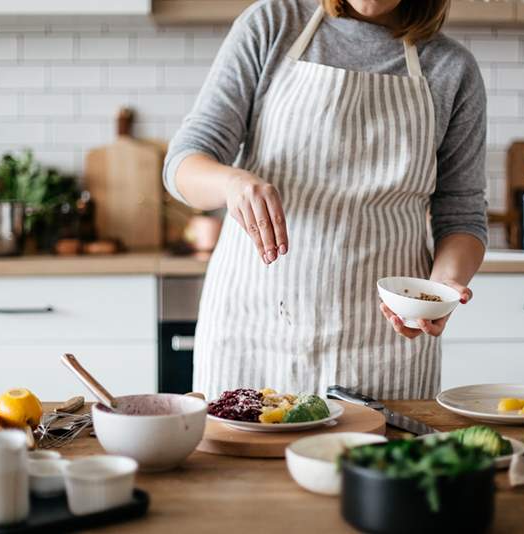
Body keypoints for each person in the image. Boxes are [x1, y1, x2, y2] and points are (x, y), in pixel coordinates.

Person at [163, 0, 487, 400]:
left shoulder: (451, 67)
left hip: (384, 345)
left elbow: (462, 214)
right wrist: (231, 183)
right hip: (256, 332)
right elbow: (184, 163)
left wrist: (440, 290)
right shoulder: (273, 24)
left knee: (375, 462)